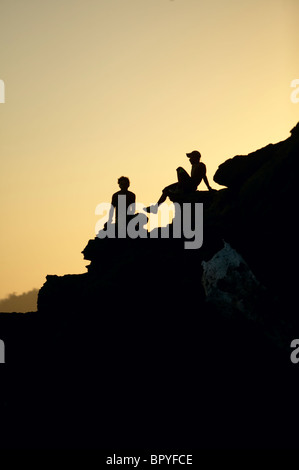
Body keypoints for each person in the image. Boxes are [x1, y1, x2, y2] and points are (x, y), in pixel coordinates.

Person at [145, 150, 214, 213]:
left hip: (191, 185)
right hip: (186, 184)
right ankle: (156, 207)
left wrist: (209, 187)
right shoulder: (194, 166)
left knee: (179, 169)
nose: (189, 159)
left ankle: (179, 188)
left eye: (191, 157)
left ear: (196, 157)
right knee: (166, 190)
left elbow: (204, 176)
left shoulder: (201, 165)